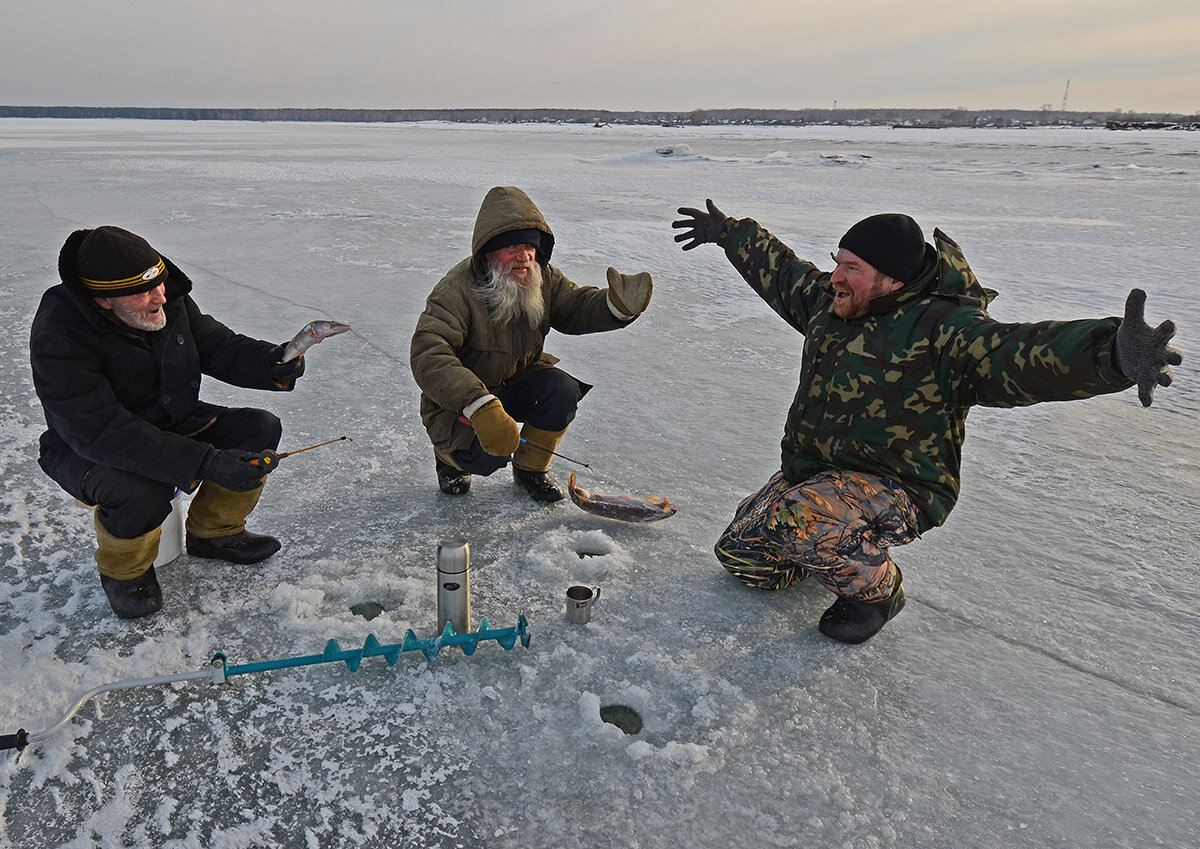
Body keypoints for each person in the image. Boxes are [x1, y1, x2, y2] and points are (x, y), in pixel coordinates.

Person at [672, 200, 1183, 644]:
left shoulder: (946, 332)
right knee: (743, 559)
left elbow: (1021, 355)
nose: (835, 277)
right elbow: (784, 274)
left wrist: (1111, 354)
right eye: (837, 262)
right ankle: (824, 543)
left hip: (899, 487)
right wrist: (730, 234)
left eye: (851, 267)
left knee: (799, 518)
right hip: (820, 474)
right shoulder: (834, 306)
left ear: (891, 277)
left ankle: (877, 595)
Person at [30, 226, 308, 619]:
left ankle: (215, 533)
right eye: (144, 291)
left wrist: (273, 361)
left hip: (170, 420)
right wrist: (204, 461)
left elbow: (216, 345)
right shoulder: (59, 333)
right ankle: (125, 573)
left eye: (160, 282)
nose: (161, 295)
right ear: (103, 300)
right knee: (139, 491)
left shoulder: (166, 299)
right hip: (84, 446)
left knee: (257, 429)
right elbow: (99, 429)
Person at [411, 186, 652, 502]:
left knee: (560, 390)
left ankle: (531, 470)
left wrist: (615, 306)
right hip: (462, 403)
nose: (524, 255)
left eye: (529, 246)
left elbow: (575, 307)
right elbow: (429, 352)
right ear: (487, 251)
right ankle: (449, 461)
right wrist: (478, 405)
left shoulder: (542, 276)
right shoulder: (455, 291)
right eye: (511, 247)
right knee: (490, 454)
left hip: (516, 380)